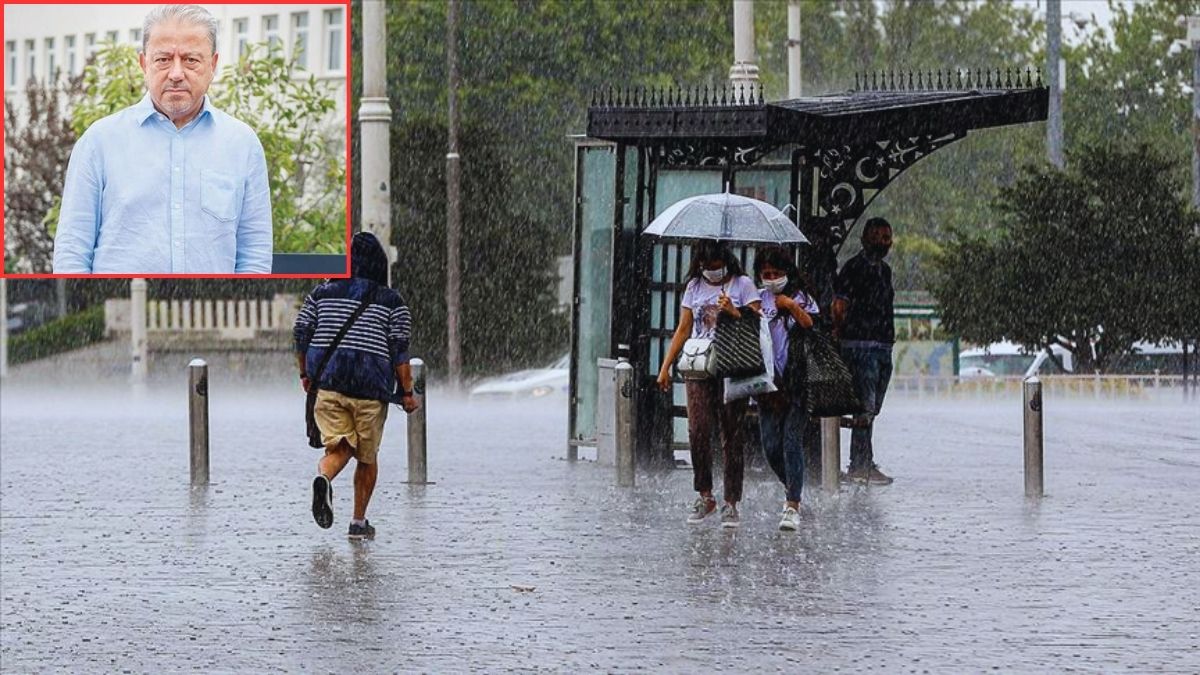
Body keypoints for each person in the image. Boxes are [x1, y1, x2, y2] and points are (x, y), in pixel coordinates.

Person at [53, 4, 272, 273]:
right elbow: (72, 252)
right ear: (144, 63)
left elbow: (254, 254)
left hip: (213, 300)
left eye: (191, 60)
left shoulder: (242, 144)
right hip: (118, 299)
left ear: (213, 65)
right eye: (163, 59)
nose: (176, 73)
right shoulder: (98, 143)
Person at [293, 232, 418, 540]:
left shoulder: (321, 293)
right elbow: (399, 352)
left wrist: (305, 373)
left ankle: (324, 477)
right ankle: (358, 523)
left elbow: (301, 333)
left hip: (329, 384)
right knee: (367, 457)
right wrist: (407, 393)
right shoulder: (392, 302)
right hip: (370, 390)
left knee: (340, 447)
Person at [657, 239, 761, 528]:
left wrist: (734, 311)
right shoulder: (694, 286)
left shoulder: (742, 285)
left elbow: (758, 324)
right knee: (698, 429)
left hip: (731, 365)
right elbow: (684, 327)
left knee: (732, 433)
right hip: (700, 366)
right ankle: (705, 494)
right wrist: (666, 366)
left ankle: (731, 500)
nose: (710, 270)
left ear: (725, 261)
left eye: (715, 265)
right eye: (705, 265)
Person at [752, 246, 818, 530]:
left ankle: (793, 504)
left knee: (791, 440)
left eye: (776, 273)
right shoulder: (757, 298)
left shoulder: (801, 297)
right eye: (766, 274)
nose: (771, 278)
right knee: (770, 445)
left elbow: (811, 324)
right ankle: (793, 486)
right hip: (768, 385)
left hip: (797, 382)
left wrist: (790, 305)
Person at [833, 217, 896, 485]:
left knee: (872, 407)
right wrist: (840, 334)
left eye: (886, 238)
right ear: (864, 239)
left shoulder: (885, 271)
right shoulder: (853, 269)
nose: (883, 242)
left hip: (882, 347)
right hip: (860, 347)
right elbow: (839, 307)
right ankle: (860, 464)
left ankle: (863, 461)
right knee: (865, 406)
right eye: (877, 237)